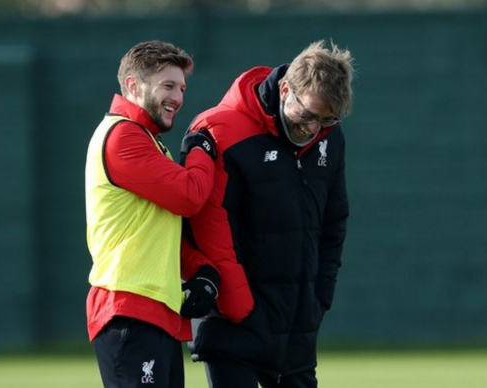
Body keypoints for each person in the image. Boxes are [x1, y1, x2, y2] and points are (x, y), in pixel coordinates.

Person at [181, 40, 355, 387]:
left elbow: (333, 224)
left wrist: (319, 297)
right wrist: (239, 305)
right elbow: (207, 227)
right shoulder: (221, 131)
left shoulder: (329, 139)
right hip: (233, 323)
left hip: (296, 329)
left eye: (327, 120)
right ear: (286, 88)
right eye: (307, 116)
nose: (313, 130)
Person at [85, 40, 221, 388]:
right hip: (130, 309)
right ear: (133, 85)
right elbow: (190, 196)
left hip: (152, 312)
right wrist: (201, 147)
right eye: (168, 85)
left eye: (182, 88)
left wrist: (199, 269)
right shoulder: (122, 136)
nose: (178, 97)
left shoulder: (145, 138)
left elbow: (156, 227)